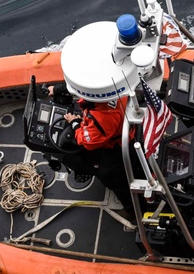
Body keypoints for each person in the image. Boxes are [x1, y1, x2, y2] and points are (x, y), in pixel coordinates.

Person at [46, 85, 134, 216]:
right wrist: (58, 89)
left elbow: (87, 142)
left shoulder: (103, 116)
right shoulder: (108, 86)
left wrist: (75, 123)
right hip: (122, 122)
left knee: (111, 176)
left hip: (119, 144)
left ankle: (131, 210)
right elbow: (81, 84)